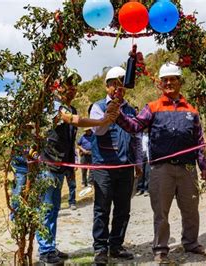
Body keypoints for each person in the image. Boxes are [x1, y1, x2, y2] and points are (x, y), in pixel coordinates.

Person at [111, 62, 206, 263]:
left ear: (180, 81)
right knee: (161, 212)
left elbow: (198, 140)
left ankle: (191, 243)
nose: (168, 83)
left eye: (172, 79)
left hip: (187, 169)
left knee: (191, 209)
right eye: (165, 80)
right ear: (160, 84)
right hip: (161, 169)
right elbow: (135, 126)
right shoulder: (152, 107)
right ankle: (160, 249)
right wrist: (118, 115)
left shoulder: (191, 110)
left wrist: (203, 165)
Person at [35, 68, 119, 264]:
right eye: (67, 85)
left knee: (54, 209)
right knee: (46, 209)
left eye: (74, 85)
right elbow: (73, 121)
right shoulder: (54, 107)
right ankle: (45, 251)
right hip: (47, 166)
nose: (72, 89)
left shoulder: (70, 108)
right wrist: (102, 120)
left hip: (60, 167)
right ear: (58, 86)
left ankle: (50, 245)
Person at [89, 66, 143, 264]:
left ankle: (116, 245)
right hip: (103, 167)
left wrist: (138, 163)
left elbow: (136, 138)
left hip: (126, 167)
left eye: (121, 85)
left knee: (123, 209)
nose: (118, 89)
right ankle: (100, 249)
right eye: (114, 85)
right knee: (102, 208)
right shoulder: (98, 107)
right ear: (107, 87)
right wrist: (110, 114)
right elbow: (98, 130)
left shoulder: (130, 110)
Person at [136, 129, 150, 196]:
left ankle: (146, 189)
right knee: (140, 173)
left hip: (147, 156)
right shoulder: (139, 135)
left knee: (147, 173)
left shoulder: (149, 136)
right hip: (140, 155)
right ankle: (140, 188)